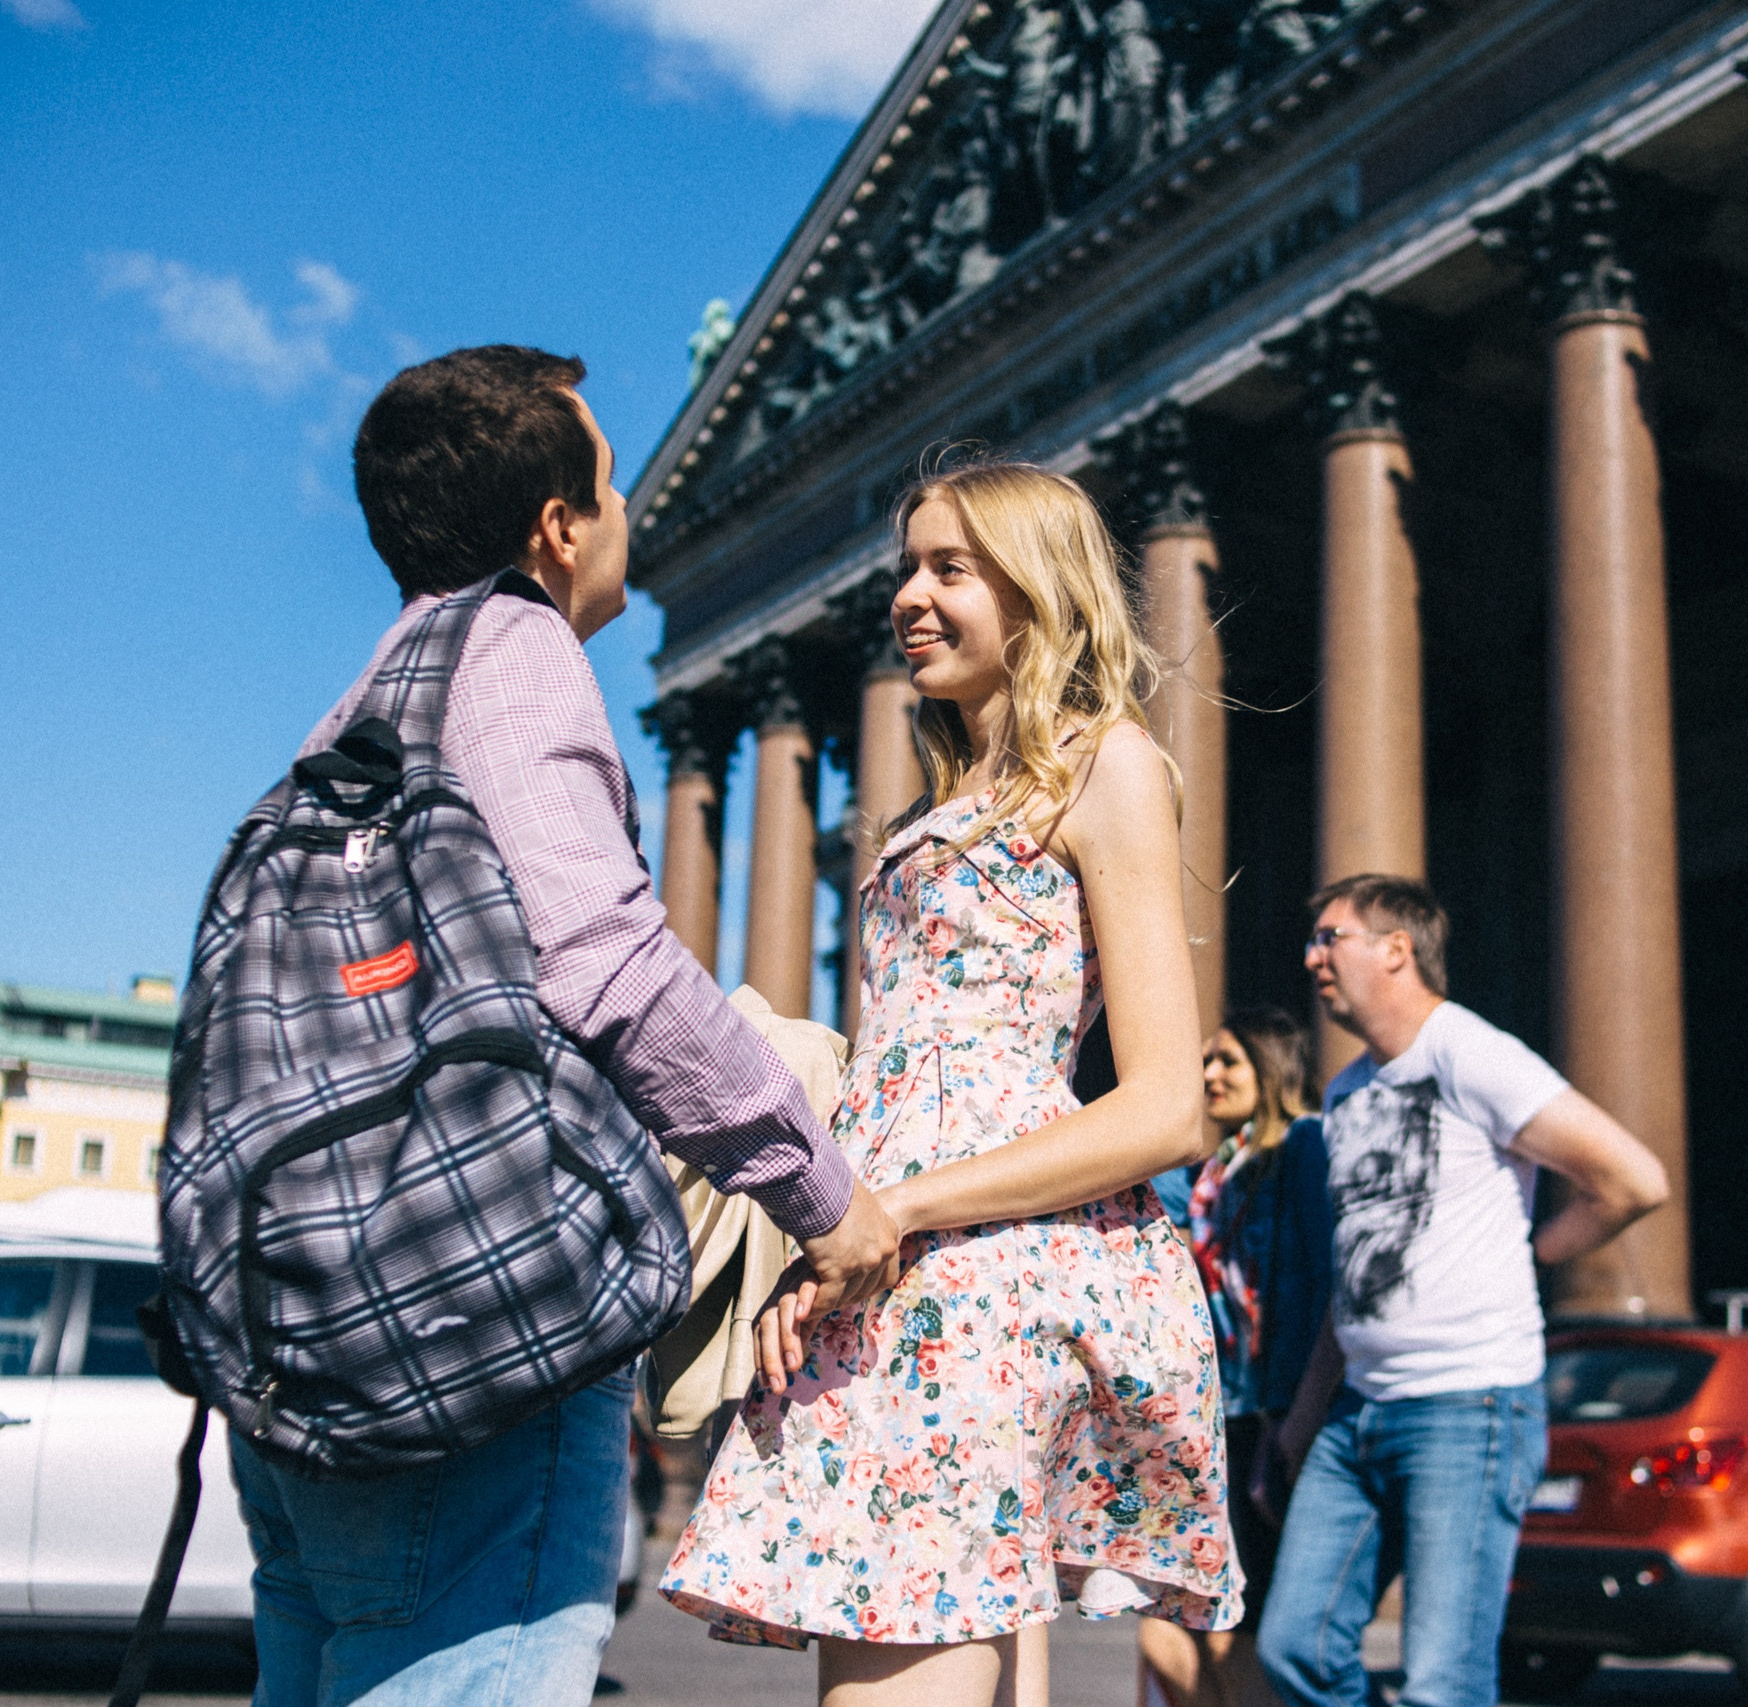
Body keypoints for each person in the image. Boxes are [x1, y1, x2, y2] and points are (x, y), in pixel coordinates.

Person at [231, 346, 901, 1706]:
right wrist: (825, 1193)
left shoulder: (359, 703)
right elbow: (602, 956)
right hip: (469, 1330)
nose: (628, 514)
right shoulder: (517, 653)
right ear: (557, 524)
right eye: (612, 482)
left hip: (292, 1323)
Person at [659, 459, 1241, 1706]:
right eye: (906, 570)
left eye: (950, 569)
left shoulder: (1105, 765)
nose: (909, 599)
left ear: (1039, 591)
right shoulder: (952, 797)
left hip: (973, 1271)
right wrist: (829, 1234)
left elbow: (1163, 1107)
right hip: (878, 1262)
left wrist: (901, 1211)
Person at [1256, 874, 1671, 1707]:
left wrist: (1530, 1247)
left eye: (1330, 937)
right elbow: (1353, 1279)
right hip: (1358, 1414)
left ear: (1396, 949)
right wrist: (1300, 1426)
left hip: (1468, 1405)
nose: (1311, 958)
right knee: (1294, 1647)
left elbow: (1632, 1179)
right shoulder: (1345, 1094)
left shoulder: (1469, 1052)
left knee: (1444, 1683)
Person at [1140, 1008, 1333, 1707]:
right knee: (1169, 1636)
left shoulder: (1303, 1147)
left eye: (1228, 1061)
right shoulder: (1215, 1170)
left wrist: (1302, 1411)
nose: (1210, 1074)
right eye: (1204, 1062)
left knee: (1236, 1633)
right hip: (1220, 1416)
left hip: (1275, 1412)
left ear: (1271, 1069)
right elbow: (1152, 1204)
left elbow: (1324, 1281)